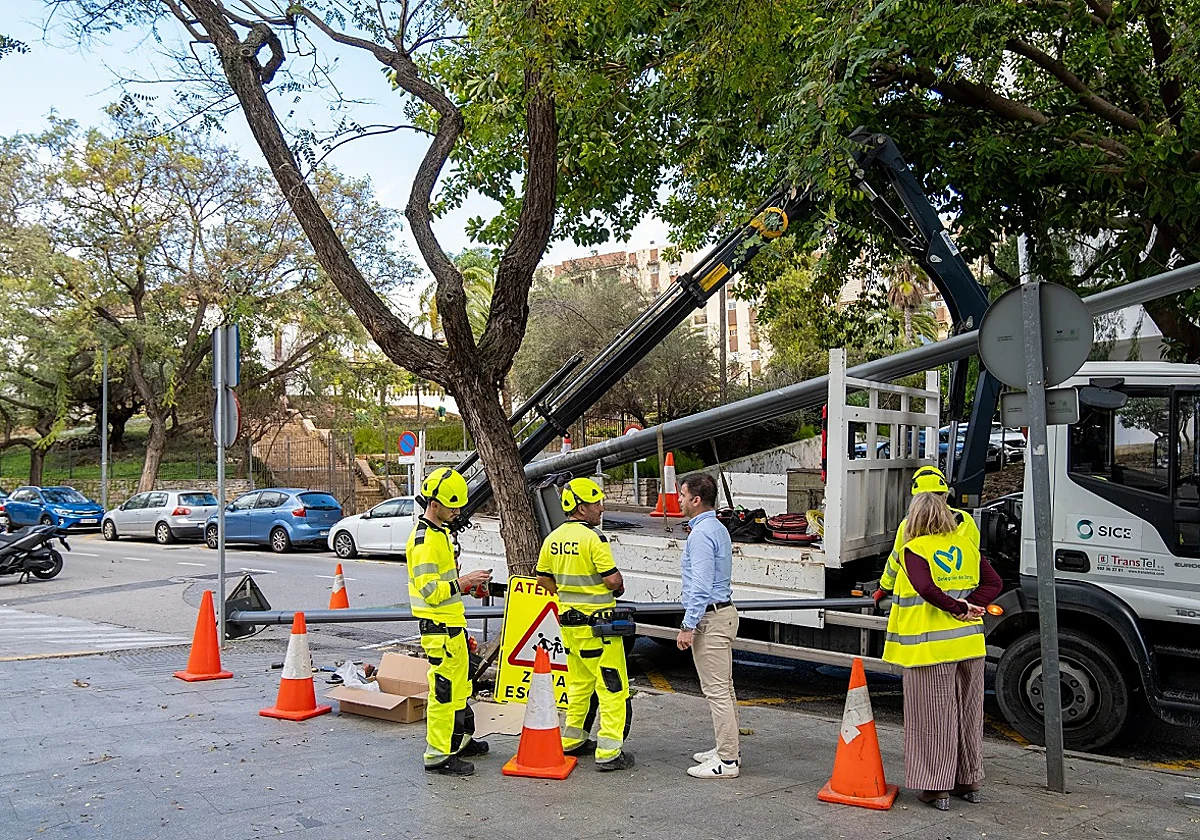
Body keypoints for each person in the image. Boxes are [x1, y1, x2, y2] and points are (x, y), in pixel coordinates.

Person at [876, 485, 1003, 810]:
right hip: (970, 646)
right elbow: (994, 583)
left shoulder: (914, 549)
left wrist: (958, 607)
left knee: (932, 719)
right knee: (968, 715)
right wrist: (971, 605)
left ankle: (936, 788)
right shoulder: (966, 544)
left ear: (914, 517)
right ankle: (969, 781)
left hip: (929, 650)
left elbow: (925, 588)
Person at [535, 477, 634, 771]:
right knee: (612, 688)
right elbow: (612, 580)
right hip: (599, 629)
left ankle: (573, 739)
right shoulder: (594, 538)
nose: (601, 508)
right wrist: (617, 588)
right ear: (580, 507)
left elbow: (542, 578)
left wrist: (565, 592)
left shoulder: (552, 539)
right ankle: (609, 751)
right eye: (596, 503)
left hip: (570, 628)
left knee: (579, 685)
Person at [407, 467, 492, 777]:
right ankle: (439, 755)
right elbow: (430, 591)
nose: (457, 512)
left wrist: (467, 585)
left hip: (450, 627)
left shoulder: (438, 533)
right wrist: (464, 582)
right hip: (439, 631)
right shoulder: (425, 541)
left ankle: (460, 741)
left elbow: (443, 585)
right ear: (434, 504)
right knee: (444, 694)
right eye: (452, 506)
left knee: (459, 689)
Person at [676, 472, 740, 779]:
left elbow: (700, 585)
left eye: (682, 495)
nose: (679, 500)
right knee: (724, 690)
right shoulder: (717, 527)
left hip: (710, 619)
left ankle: (727, 761)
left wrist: (688, 626)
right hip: (721, 613)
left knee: (716, 692)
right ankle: (727, 749)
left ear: (696, 500)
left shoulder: (700, 535)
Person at [879, 465, 979, 597]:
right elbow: (974, 557)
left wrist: (884, 588)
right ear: (945, 495)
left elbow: (896, 561)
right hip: (960, 596)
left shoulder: (908, 525)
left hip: (916, 599)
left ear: (915, 498)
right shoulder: (964, 521)